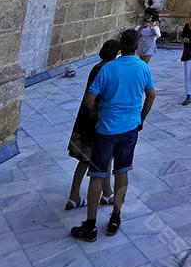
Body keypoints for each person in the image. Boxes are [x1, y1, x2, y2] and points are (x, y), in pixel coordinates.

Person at [70, 28, 155, 242]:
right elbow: (151, 95)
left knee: (97, 174)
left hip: (106, 128)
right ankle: (116, 217)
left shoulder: (108, 68)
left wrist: (97, 113)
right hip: (130, 129)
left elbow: (90, 98)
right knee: (122, 172)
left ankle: (90, 225)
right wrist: (141, 118)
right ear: (136, 46)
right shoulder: (143, 68)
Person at [65, 39, 120, 209]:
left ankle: (101, 193)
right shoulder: (107, 69)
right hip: (96, 119)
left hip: (87, 118)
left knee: (88, 158)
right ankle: (97, 194)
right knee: (98, 156)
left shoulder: (97, 66)